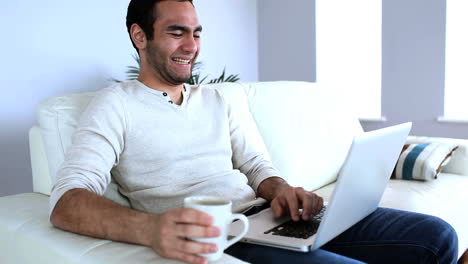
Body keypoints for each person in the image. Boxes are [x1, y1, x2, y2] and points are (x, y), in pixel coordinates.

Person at [49, 1, 459, 264]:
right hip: (225, 239)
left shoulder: (216, 99)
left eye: (196, 32)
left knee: (438, 236)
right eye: (176, 32)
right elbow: (67, 202)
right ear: (140, 36)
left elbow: (257, 166)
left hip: (267, 219)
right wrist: (150, 229)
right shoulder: (114, 105)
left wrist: (282, 190)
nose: (191, 45)